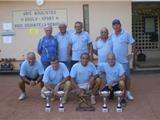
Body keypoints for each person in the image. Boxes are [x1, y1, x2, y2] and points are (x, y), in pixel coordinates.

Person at [110, 19, 135, 100]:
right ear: (112, 26)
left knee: (127, 77)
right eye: (114, 25)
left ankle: (128, 92)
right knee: (117, 77)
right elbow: (105, 38)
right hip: (114, 61)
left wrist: (132, 53)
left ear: (120, 25)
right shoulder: (112, 35)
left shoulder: (126, 34)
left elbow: (133, 43)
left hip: (124, 61)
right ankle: (118, 92)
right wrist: (99, 37)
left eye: (117, 24)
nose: (116, 26)